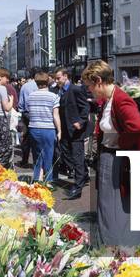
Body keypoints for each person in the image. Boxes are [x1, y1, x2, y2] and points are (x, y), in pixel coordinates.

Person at [84, 60, 140, 246]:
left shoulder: (120, 99)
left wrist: (121, 143)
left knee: (115, 208)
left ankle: (118, 249)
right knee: (111, 207)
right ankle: (114, 246)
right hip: (111, 157)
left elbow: (138, 126)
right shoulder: (110, 99)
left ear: (98, 81)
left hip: (117, 159)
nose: (90, 91)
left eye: (90, 86)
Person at [56, 68, 92, 200]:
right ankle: (84, 175)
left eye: (58, 78)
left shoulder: (75, 89)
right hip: (65, 130)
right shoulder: (59, 91)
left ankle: (78, 187)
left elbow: (85, 107)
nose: (57, 80)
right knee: (66, 155)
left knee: (77, 157)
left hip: (76, 130)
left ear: (65, 76)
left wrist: (81, 122)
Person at [25, 71, 61, 182]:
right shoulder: (54, 96)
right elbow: (55, 116)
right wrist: (59, 130)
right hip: (48, 128)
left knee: (37, 156)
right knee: (49, 156)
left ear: (36, 83)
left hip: (34, 127)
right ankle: (48, 181)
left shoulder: (30, 96)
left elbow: (29, 112)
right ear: (48, 82)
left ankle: (37, 179)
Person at [18, 68, 40, 168]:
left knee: (26, 138)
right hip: (39, 114)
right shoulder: (41, 85)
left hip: (27, 114)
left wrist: (21, 112)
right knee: (38, 138)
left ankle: (25, 160)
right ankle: (37, 161)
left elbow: (21, 103)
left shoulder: (25, 86)